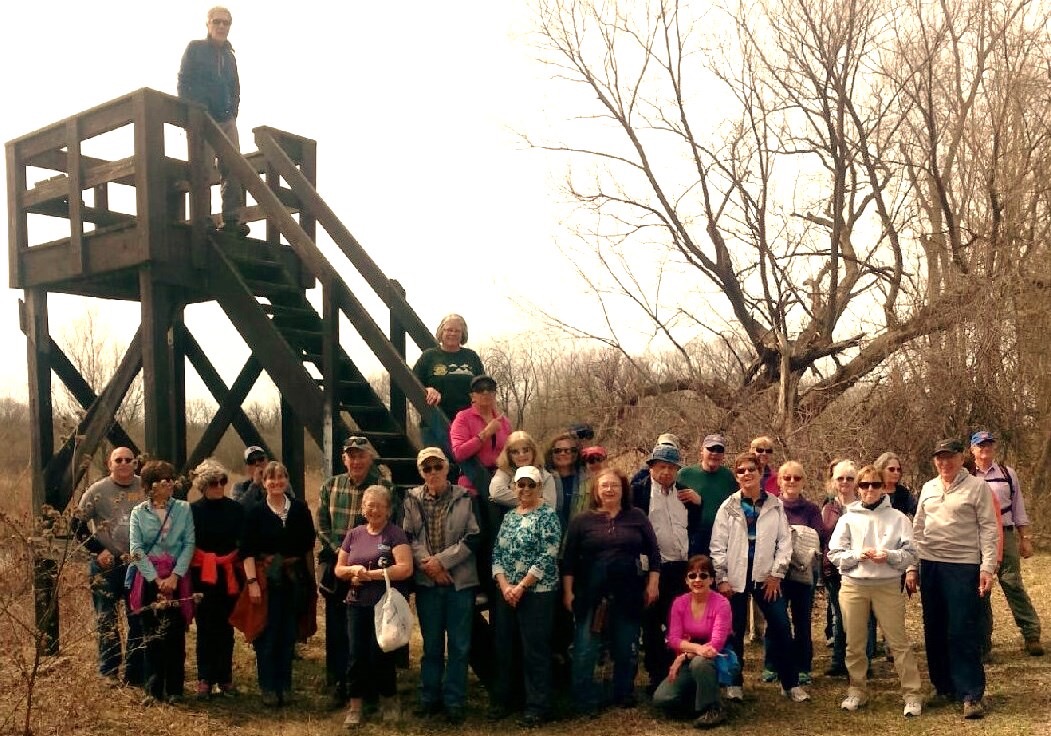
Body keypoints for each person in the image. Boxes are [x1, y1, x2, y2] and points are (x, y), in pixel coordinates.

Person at [905, 439, 999, 719]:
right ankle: (943, 686)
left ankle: (970, 693)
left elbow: (989, 529)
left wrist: (987, 567)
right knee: (934, 628)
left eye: (949, 457)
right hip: (931, 564)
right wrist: (914, 565)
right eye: (939, 458)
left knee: (962, 629)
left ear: (960, 458)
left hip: (963, 565)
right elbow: (917, 527)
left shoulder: (977, 487)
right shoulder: (929, 487)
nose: (944, 463)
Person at [710, 452, 809, 703]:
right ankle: (734, 683)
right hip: (735, 579)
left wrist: (776, 574)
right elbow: (717, 546)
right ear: (736, 475)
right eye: (741, 470)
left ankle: (790, 683)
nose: (746, 474)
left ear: (759, 473)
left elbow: (784, 542)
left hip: (766, 577)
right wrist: (721, 578)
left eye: (751, 470)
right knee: (734, 631)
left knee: (781, 628)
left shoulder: (774, 504)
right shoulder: (728, 507)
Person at [562, 468, 661, 715]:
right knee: (586, 647)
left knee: (625, 645)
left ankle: (623, 692)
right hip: (590, 593)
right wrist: (568, 592)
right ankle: (584, 699)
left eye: (614, 485)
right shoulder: (581, 521)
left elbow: (654, 554)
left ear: (623, 489)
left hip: (628, 591)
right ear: (596, 490)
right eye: (604, 485)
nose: (609, 490)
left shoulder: (636, 516)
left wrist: (652, 584)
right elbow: (569, 560)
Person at [828, 465, 923, 717]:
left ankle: (912, 693)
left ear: (884, 488)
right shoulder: (847, 518)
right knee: (855, 643)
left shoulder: (898, 518)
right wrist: (857, 556)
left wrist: (889, 556)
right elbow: (834, 554)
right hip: (853, 586)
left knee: (898, 642)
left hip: (887, 585)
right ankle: (857, 689)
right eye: (864, 485)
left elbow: (911, 554)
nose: (870, 490)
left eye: (875, 485)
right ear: (858, 488)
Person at [401, 448, 480, 724]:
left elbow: (473, 538)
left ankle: (455, 701)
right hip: (427, 582)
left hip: (460, 582)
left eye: (437, 467)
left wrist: (443, 564)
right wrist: (430, 566)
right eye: (427, 468)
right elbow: (408, 536)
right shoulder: (411, 499)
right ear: (421, 472)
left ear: (447, 468)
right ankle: (428, 698)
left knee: (459, 645)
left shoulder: (465, 497)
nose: (433, 472)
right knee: (432, 645)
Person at [316, 435, 395, 707]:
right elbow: (322, 525)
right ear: (344, 459)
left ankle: (371, 689)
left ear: (369, 457)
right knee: (338, 631)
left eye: (361, 455)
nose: (357, 460)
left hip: (372, 571)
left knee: (370, 632)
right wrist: (342, 553)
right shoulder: (330, 486)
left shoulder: (384, 487)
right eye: (352, 455)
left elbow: (391, 527)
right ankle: (340, 686)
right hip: (339, 566)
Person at [488, 466, 562, 726]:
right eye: (521, 485)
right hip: (506, 592)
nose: (526, 490)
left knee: (535, 650)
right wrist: (505, 584)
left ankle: (538, 705)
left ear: (540, 487)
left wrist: (521, 587)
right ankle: (506, 700)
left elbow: (548, 553)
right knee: (505, 648)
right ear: (514, 487)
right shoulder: (509, 517)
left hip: (537, 593)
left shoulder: (548, 515)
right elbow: (497, 552)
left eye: (531, 485)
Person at [240, 461, 317, 708]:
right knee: (267, 634)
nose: (276, 483)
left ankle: (285, 686)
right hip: (265, 578)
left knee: (287, 633)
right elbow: (247, 552)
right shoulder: (255, 513)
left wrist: (310, 581)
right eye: (271, 479)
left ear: (287, 480)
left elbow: (307, 548)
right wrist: (252, 582)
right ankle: (268, 687)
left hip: (293, 578)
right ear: (264, 483)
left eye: (281, 478)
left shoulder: (300, 510)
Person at [336, 485, 413, 728]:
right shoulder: (354, 534)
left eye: (380, 505)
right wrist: (352, 572)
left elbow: (405, 568)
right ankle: (355, 706)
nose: (375, 509)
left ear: (388, 510)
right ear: (363, 509)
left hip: (384, 605)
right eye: (370, 505)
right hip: (356, 603)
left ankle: (389, 700)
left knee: (382, 653)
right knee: (356, 655)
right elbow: (339, 569)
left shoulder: (395, 534)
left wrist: (374, 575)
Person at [630, 444, 703, 694]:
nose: (666, 473)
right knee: (651, 623)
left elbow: (694, 526)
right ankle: (655, 674)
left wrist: (699, 502)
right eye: (661, 467)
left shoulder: (683, 493)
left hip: (681, 566)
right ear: (651, 467)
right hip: (652, 567)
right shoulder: (638, 492)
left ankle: (679, 671)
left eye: (671, 468)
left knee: (678, 622)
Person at [72, 447, 146, 687]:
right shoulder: (97, 490)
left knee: (138, 618)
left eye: (129, 460)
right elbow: (77, 525)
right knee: (106, 618)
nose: (124, 463)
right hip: (106, 565)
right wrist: (97, 550)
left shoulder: (145, 487)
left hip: (136, 564)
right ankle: (109, 671)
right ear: (109, 463)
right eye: (119, 460)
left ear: (135, 464)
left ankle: (135, 674)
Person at [970, 430, 1043, 656]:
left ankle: (1031, 634)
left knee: (1012, 583)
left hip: (1006, 532)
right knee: (982, 588)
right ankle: (983, 643)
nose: (985, 449)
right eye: (981, 445)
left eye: (989, 444)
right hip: (977, 536)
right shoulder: (967, 475)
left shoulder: (1007, 473)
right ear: (972, 449)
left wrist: (1025, 538)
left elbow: (1018, 507)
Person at [128, 460, 196, 706]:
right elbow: (136, 549)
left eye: (170, 478)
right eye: (163, 479)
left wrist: (175, 576)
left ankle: (176, 689)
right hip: (149, 579)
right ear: (149, 486)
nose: (169, 483)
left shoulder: (184, 509)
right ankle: (153, 690)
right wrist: (155, 579)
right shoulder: (138, 513)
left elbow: (189, 544)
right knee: (151, 635)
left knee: (176, 635)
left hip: (177, 577)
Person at [177, 6, 247, 236]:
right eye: (217, 22)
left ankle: (231, 219)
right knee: (202, 167)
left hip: (225, 118)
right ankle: (203, 218)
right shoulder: (195, 49)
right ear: (207, 24)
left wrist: (232, 112)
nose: (221, 26)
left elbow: (236, 88)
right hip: (202, 117)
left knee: (234, 165)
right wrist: (193, 111)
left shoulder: (229, 57)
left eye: (226, 23)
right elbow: (183, 81)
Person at [760, 460, 825, 685]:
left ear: (803, 481)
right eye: (787, 477)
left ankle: (803, 666)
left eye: (797, 477)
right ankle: (771, 664)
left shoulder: (812, 509)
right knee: (776, 619)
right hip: (776, 574)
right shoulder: (770, 507)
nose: (791, 481)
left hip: (802, 572)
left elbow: (816, 537)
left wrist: (791, 537)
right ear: (779, 481)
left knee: (802, 621)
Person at [651, 554, 733, 729]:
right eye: (692, 575)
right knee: (662, 699)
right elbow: (673, 639)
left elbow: (715, 645)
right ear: (686, 580)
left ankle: (712, 709)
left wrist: (684, 656)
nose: (698, 580)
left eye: (703, 575)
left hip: (717, 658)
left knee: (700, 663)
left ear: (711, 579)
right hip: (691, 657)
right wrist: (693, 649)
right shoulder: (679, 603)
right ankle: (702, 698)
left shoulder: (722, 604)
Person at [188, 459, 244, 699]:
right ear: (203, 484)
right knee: (205, 629)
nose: (219, 486)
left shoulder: (236, 509)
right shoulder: (192, 510)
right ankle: (204, 679)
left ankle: (225, 678)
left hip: (229, 575)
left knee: (226, 629)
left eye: (223, 481)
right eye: (213, 482)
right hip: (202, 575)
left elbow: (243, 542)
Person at [412, 314, 486, 450]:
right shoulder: (429, 356)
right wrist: (427, 389)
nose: (453, 333)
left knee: (466, 466)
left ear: (463, 334)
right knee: (437, 466)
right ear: (442, 331)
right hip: (434, 422)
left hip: (467, 424)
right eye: (449, 330)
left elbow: (483, 389)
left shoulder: (471, 357)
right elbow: (412, 382)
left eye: (457, 331)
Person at [822, 459, 858, 677]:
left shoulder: (863, 505)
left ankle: (861, 661)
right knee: (838, 615)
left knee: (860, 617)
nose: (845, 482)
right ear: (834, 481)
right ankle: (837, 661)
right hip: (832, 569)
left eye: (850, 478)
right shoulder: (827, 506)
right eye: (840, 478)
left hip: (857, 568)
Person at [449, 374, 511, 495]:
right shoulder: (463, 418)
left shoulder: (504, 422)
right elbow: (459, 452)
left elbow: (511, 453)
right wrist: (486, 433)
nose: (485, 392)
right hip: (472, 482)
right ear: (472, 396)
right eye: (480, 389)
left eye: (490, 388)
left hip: (501, 482)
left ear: (495, 394)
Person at [676, 434, 737, 555]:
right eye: (710, 449)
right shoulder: (684, 475)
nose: (715, 453)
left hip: (720, 538)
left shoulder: (728, 477)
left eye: (719, 450)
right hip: (692, 537)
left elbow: (734, 508)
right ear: (702, 451)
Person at [490, 430, 558, 511]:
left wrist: (519, 497)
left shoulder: (544, 475)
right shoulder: (504, 471)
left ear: (533, 452)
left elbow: (549, 505)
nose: (521, 455)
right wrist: (533, 499)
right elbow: (496, 492)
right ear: (509, 455)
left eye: (526, 450)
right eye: (515, 452)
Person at [543, 431, 588, 531]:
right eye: (557, 451)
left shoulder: (587, 479)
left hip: (580, 534)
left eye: (569, 450)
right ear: (551, 454)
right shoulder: (542, 479)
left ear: (576, 453)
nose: (563, 454)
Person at [873, 452, 917, 517]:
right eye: (891, 469)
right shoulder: (872, 489)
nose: (896, 472)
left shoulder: (903, 493)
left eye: (898, 470)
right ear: (881, 470)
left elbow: (917, 513)